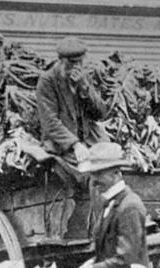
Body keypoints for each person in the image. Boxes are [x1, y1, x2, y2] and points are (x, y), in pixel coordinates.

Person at [75, 142, 149, 268]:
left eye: (99, 173)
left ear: (116, 173)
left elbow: (126, 261)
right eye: (92, 174)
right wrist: (91, 263)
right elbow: (107, 252)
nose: (94, 181)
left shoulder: (129, 206)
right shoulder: (110, 204)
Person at [36, 35, 108, 168]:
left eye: (80, 62)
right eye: (73, 62)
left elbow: (100, 114)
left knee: (111, 162)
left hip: (88, 138)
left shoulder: (83, 76)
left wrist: (84, 88)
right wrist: (75, 144)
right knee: (86, 169)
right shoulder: (47, 81)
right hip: (62, 143)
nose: (77, 66)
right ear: (62, 61)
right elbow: (50, 122)